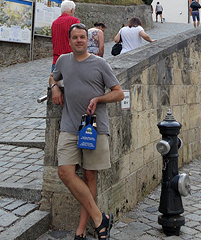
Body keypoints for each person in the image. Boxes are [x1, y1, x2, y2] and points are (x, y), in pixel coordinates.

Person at [49, 23, 124, 240]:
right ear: (70, 40)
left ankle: (81, 230)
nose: (79, 40)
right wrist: (54, 87)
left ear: (87, 40)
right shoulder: (63, 60)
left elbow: (118, 93)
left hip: (95, 127)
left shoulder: (100, 64)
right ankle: (100, 218)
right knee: (65, 172)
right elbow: (54, 76)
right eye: (75, 38)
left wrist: (99, 98)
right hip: (70, 126)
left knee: (90, 175)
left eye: (83, 37)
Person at [51, 0, 80, 69]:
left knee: (55, 79)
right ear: (72, 10)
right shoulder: (74, 21)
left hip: (57, 60)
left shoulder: (54, 23)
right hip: (71, 60)